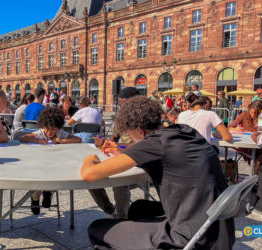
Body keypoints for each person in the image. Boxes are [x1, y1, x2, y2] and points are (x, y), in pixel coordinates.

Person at [82, 96, 235, 250]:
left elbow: (89, 174)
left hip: (192, 238)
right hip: (217, 230)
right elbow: (143, 149)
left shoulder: (155, 144)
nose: (132, 141)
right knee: (138, 208)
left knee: (97, 228)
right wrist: (118, 148)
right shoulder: (184, 131)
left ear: (140, 132)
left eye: (131, 136)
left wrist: (91, 158)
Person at [20, 107, 81, 214]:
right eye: (47, 128)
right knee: (38, 183)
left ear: (58, 127)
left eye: (53, 129)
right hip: (39, 164)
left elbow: (78, 139)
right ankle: (35, 198)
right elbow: (23, 138)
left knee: (56, 177)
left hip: (55, 165)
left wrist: (61, 140)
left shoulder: (61, 134)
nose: (49, 132)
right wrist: (38, 140)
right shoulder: (41, 133)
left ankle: (48, 192)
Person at [91, 87, 139, 219]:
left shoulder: (145, 120)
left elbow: (142, 146)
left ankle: (122, 218)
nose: (122, 110)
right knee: (91, 175)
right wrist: (103, 142)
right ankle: (110, 210)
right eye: (120, 106)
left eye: (126, 106)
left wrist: (115, 145)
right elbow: (113, 140)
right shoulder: (120, 119)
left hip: (139, 162)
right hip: (121, 157)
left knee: (119, 181)